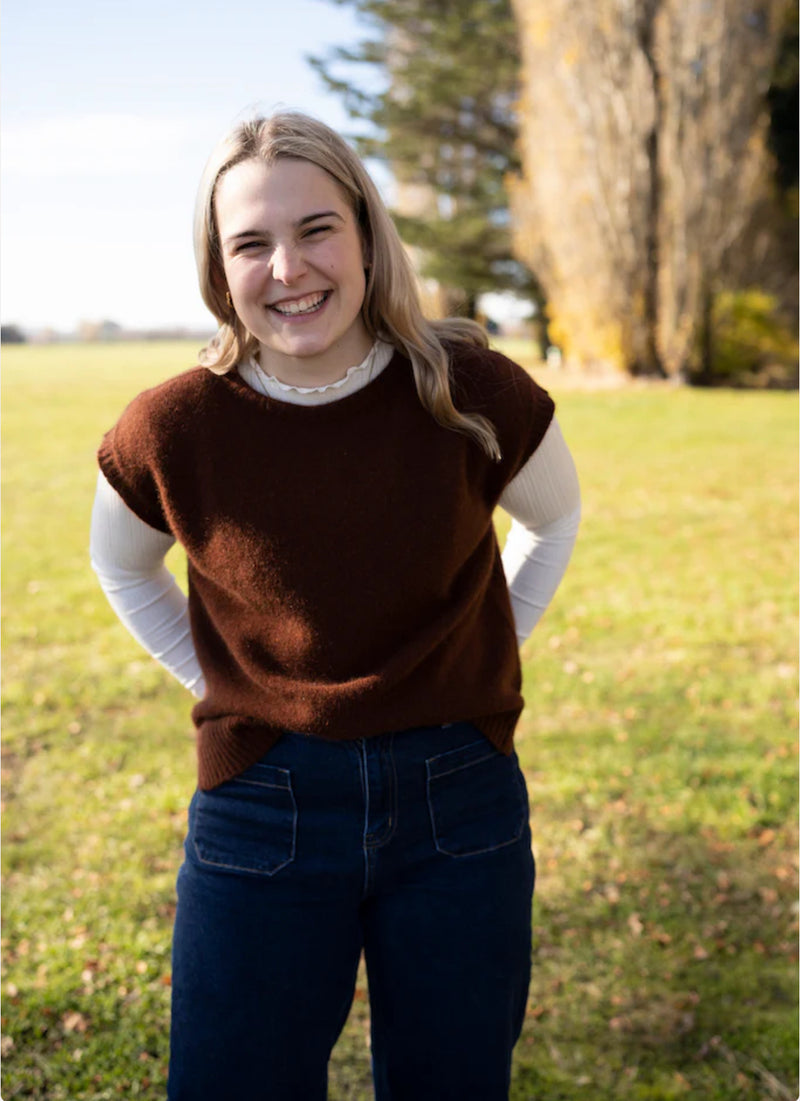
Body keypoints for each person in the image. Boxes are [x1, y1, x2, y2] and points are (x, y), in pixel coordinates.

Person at [90, 111, 581, 1101]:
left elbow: (553, 519)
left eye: (316, 229)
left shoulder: (466, 388)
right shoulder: (171, 427)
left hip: (458, 801)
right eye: (250, 244)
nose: (288, 267)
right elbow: (122, 570)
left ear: (364, 232)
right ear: (217, 267)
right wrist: (220, 677)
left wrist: (483, 652)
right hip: (261, 800)